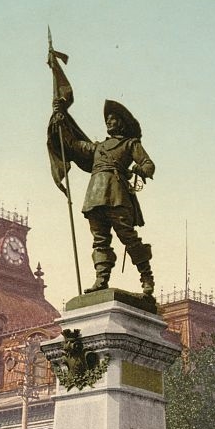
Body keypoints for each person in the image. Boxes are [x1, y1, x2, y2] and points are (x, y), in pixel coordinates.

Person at [50, 97, 156, 297]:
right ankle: (101, 279)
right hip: (94, 196)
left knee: (128, 236)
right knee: (100, 240)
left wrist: (140, 170)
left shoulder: (130, 144)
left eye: (113, 119)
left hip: (117, 195)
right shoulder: (97, 147)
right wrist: (60, 117)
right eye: (107, 119)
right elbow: (72, 144)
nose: (108, 121)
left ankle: (146, 277)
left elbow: (149, 164)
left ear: (122, 123)